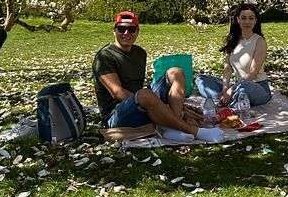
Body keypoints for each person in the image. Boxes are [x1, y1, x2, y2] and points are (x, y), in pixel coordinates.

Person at [92, 10, 223, 142]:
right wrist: (157, 103)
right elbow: (117, 92)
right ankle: (194, 132)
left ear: (137, 31)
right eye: (121, 29)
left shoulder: (139, 53)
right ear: (114, 30)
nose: (126, 33)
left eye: (131, 29)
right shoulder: (104, 57)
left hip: (139, 102)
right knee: (145, 94)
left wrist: (158, 102)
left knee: (176, 72)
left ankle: (172, 127)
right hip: (117, 115)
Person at [196, 2, 272, 109]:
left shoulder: (259, 41)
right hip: (237, 85)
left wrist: (231, 90)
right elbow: (227, 68)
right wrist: (225, 87)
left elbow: (253, 73)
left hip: (256, 86)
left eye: (251, 18)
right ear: (238, 19)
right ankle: (230, 99)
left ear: (255, 21)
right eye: (243, 18)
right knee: (201, 80)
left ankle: (228, 101)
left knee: (244, 88)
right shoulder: (234, 39)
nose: (247, 22)